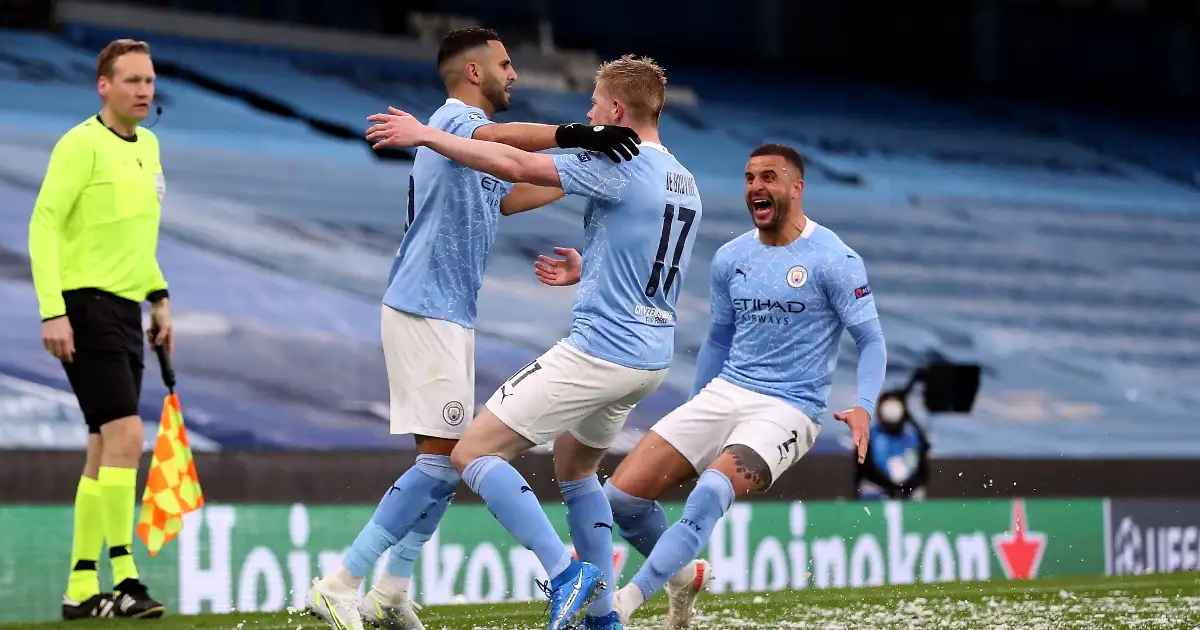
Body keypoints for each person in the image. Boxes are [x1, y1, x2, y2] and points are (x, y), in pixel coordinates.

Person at [303, 28, 641, 630]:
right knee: (444, 459)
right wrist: (579, 134)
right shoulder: (456, 119)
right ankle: (340, 583)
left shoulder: (466, 149)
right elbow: (509, 143)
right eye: (506, 65)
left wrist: (580, 172)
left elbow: (508, 193)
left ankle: (393, 588)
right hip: (423, 308)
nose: (514, 75)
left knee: (448, 459)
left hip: (449, 313)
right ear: (475, 73)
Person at [366, 55, 700, 630]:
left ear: (617, 111)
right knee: (574, 470)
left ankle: (567, 575)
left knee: (472, 452)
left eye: (594, 104)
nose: (589, 114)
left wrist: (428, 135)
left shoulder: (618, 159)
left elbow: (512, 161)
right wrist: (588, 271)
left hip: (601, 350)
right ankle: (602, 619)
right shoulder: (684, 179)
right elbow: (653, 261)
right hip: (650, 358)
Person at [592, 143, 887, 627]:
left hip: (790, 408)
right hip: (726, 392)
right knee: (620, 500)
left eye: (768, 177)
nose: (756, 188)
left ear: (797, 187)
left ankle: (626, 603)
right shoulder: (731, 257)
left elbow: (871, 340)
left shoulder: (833, 259)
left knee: (708, 492)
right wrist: (695, 411)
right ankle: (683, 575)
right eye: (750, 178)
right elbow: (718, 338)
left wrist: (864, 405)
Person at [29, 38, 170, 620]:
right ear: (103, 86)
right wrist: (51, 309)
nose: (143, 90)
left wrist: (159, 297)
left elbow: (138, 236)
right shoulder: (79, 145)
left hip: (127, 311)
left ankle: (80, 590)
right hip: (84, 308)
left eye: (149, 80)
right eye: (131, 80)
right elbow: (42, 224)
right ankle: (127, 577)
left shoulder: (151, 145)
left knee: (102, 447)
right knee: (128, 437)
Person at [855, 390, 931, 500]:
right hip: (878, 487)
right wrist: (889, 485)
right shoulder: (870, 436)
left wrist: (906, 485)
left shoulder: (912, 437)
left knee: (918, 493)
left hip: (907, 489)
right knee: (867, 488)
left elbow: (922, 469)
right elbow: (864, 470)